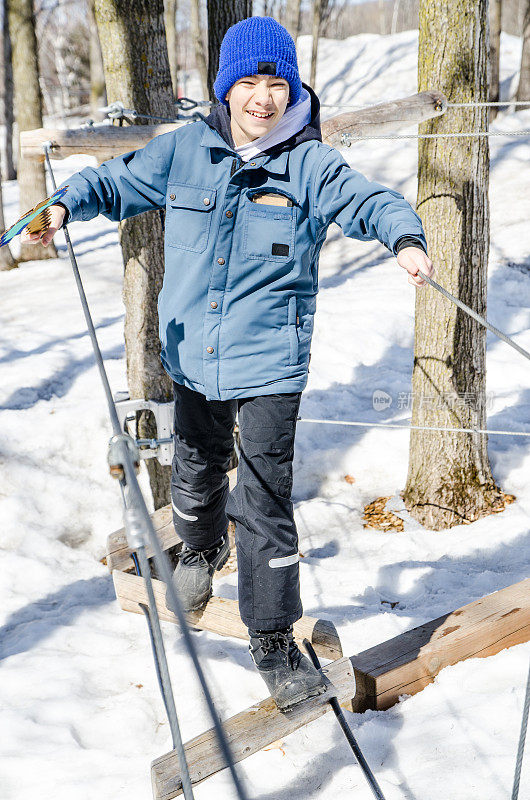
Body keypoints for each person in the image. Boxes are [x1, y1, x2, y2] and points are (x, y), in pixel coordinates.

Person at [23, 16, 434, 711]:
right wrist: (64, 202)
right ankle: (198, 550)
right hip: (192, 358)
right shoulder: (185, 150)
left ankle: (271, 637)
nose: (263, 98)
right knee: (193, 467)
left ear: (292, 88)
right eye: (249, 82)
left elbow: (367, 199)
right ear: (226, 88)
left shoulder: (309, 163)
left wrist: (404, 237)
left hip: (271, 363)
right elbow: (115, 181)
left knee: (268, 503)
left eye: (277, 83)